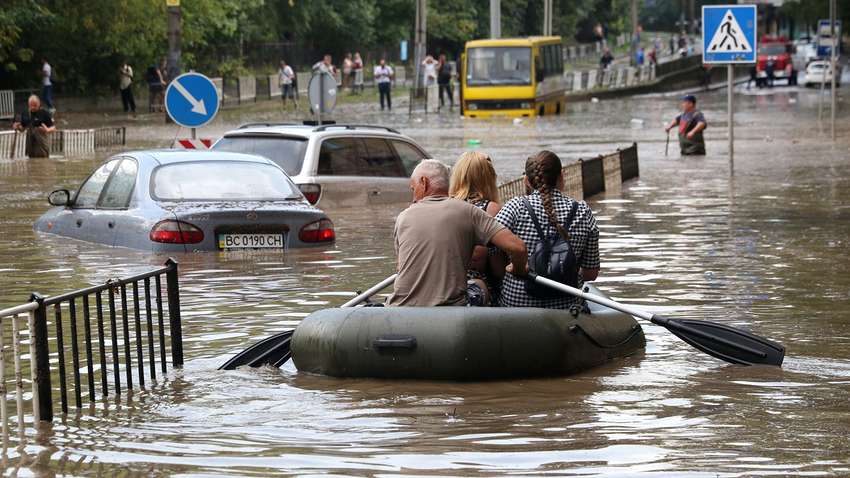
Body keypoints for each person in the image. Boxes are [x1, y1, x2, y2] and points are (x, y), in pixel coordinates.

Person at [387, 160, 528, 307]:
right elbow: (518, 247)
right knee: (479, 284)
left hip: (399, 307)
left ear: (424, 182)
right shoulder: (468, 211)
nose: (413, 198)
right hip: (450, 309)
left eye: (413, 189)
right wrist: (518, 269)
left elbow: (400, 268)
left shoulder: (403, 217)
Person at [495, 151, 600, 310]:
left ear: (526, 181)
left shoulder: (514, 208)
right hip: (567, 309)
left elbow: (488, 246)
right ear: (561, 176)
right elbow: (590, 274)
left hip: (517, 307)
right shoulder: (583, 212)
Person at [449, 151, 507, 305]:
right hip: (479, 286)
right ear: (489, 178)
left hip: (445, 282)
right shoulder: (492, 209)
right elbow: (498, 269)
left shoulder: (445, 205)